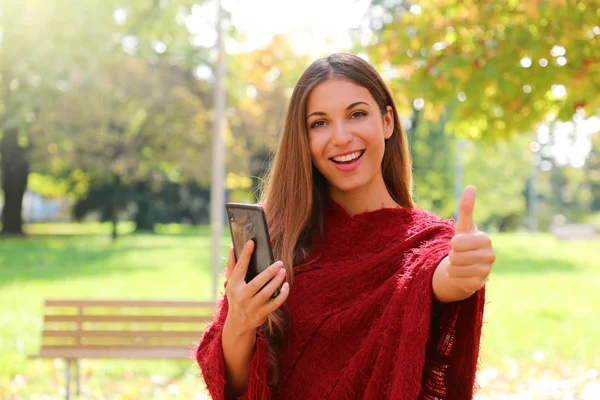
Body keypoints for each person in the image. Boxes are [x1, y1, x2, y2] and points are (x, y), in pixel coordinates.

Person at [196, 53, 495, 400]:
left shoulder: (430, 243)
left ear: (386, 122)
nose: (340, 137)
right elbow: (230, 389)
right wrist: (240, 321)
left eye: (357, 114)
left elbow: (436, 274)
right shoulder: (276, 237)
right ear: (303, 139)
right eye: (319, 123)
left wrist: (462, 272)